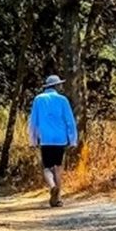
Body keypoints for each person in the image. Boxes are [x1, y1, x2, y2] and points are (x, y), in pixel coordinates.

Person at [28, 74, 78, 207]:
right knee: (58, 167)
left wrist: (33, 139)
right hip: (60, 138)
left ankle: (52, 186)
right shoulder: (63, 100)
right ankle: (58, 198)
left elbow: (33, 121)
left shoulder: (38, 99)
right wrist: (72, 139)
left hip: (45, 138)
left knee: (46, 167)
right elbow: (70, 121)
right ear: (56, 86)